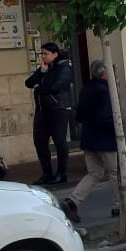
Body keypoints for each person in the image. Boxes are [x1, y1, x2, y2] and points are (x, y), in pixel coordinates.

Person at [60, 60, 118, 224]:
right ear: (104, 74)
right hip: (105, 139)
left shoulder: (86, 89)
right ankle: (120, 205)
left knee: (95, 172)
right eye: (111, 72)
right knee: (115, 173)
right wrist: (118, 126)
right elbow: (105, 117)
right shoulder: (105, 91)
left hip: (89, 138)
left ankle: (72, 201)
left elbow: (79, 116)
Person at [25, 42, 74, 185]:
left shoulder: (64, 68)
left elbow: (55, 86)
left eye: (46, 53)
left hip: (59, 108)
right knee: (40, 141)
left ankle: (61, 174)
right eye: (42, 53)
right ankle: (47, 173)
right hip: (42, 110)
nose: (43, 56)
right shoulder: (45, 69)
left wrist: (39, 89)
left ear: (55, 54)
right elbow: (28, 83)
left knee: (59, 141)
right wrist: (41, 72)